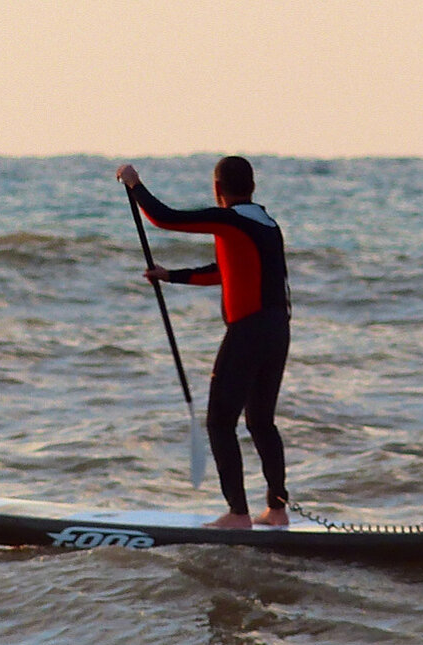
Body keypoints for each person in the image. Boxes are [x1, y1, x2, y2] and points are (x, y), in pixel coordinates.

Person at [116, 157, 291, 529]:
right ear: (253, 187)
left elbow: (165, 218)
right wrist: (171, 276)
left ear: (217, 189)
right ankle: (277, 510)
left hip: (248, 331)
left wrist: (135, 184)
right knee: (261, 421)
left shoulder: (230, 219)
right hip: (278, 329)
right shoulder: (267, 224)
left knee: (219, 422)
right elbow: (223, 273)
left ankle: (238, 514)